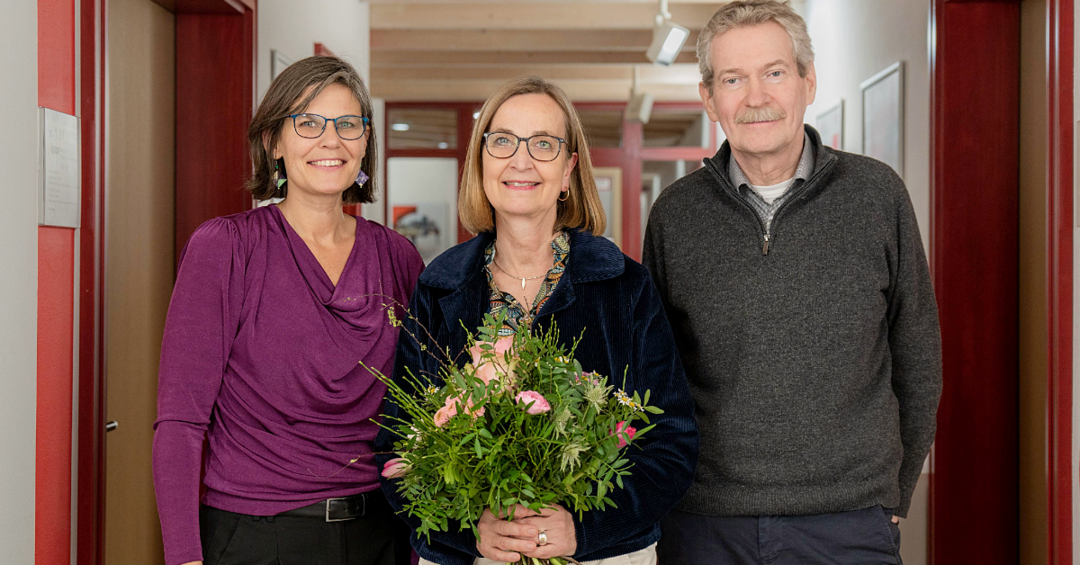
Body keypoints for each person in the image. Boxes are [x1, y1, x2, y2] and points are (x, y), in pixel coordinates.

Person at [642, 2, 942, 563]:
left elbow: (917, 351)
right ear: (710, 97)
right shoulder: (674, 215)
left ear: (808, 81)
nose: (756, 97)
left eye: (775, 73)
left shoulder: (877, 196)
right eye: (734, 79)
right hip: (705, 525)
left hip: (849, 523)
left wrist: (895, 491)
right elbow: (657, 373)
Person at [375, 76, 699, 565]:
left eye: (543, 144)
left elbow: (672, 444)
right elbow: (397, 450)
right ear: (481, 161)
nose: (520, 160)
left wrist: (582, 530)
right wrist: (470, 533)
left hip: (600, 556)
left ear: (569, 170)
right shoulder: (439, 288)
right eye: (502, 140)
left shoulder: (624, 287)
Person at [152, 56, 423, 565]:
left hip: (382, 533)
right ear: (274, 142)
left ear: (366, 141)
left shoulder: (398, 257)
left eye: (348, 124)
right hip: (256, 537)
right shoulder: (226, 247)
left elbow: (418, 413)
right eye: (308, 122)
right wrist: (184, 557)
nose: (331, 140)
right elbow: (181, 422)